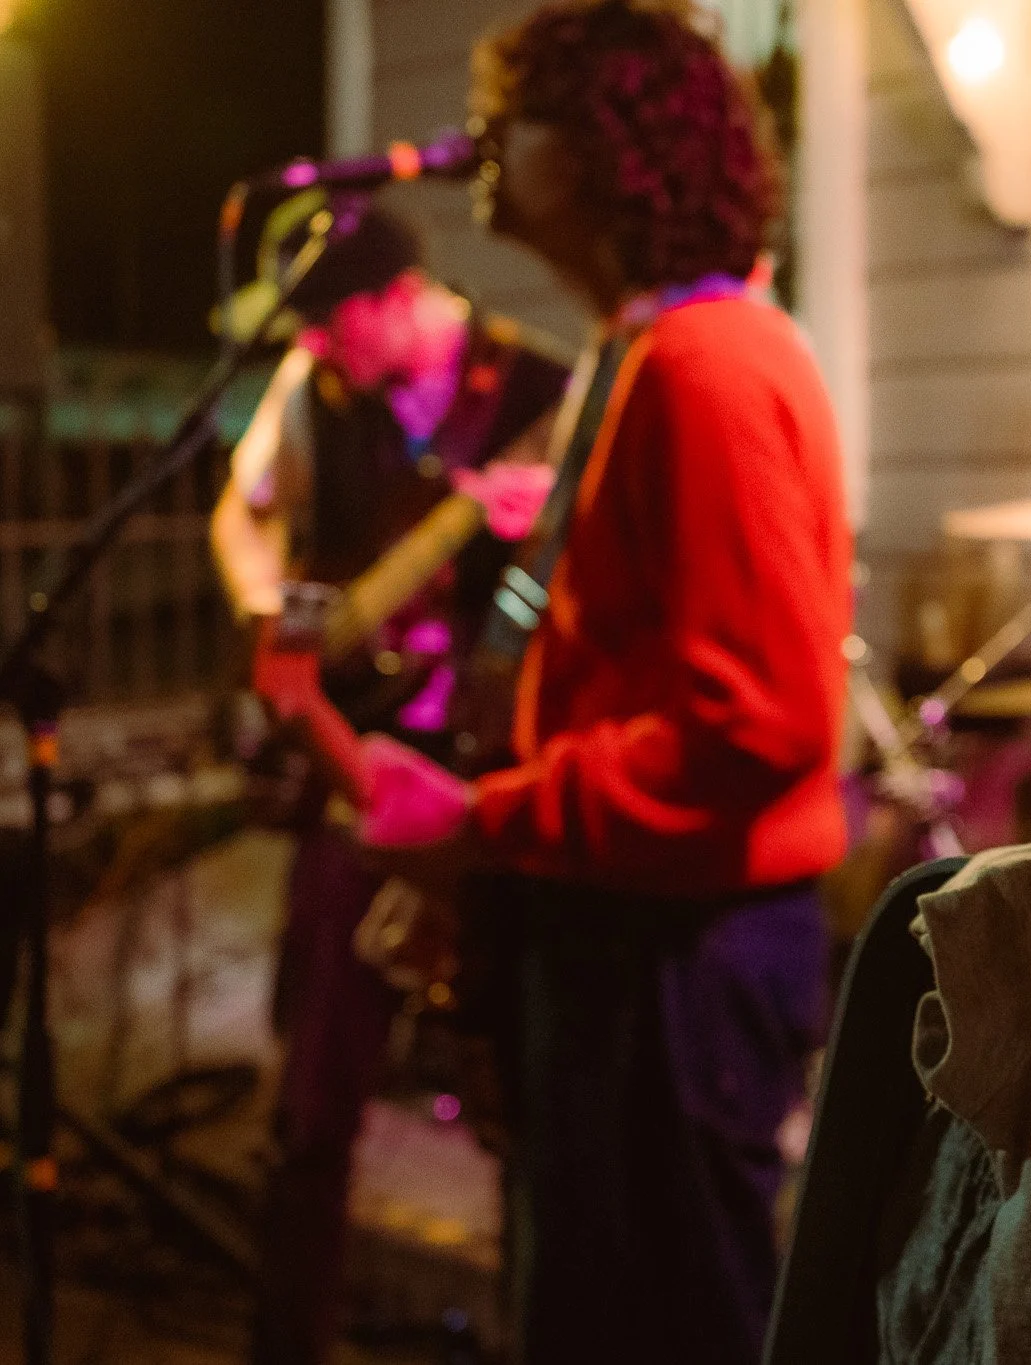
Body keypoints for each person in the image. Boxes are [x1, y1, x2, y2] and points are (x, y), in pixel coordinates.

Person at [343, 3, 852, 1359]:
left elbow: (755, 727)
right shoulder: (642, 356)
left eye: (526, 117)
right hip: (626, 933)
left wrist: (479, 825)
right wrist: (484, 863)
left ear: (614, 148)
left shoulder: (710, 369)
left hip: (680, 960)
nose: (485, 144)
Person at [208, 194, 570, 1365]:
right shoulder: (313, 392)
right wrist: (278, 619)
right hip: (352, 776)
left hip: (493, 784)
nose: (315, 348)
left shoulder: (539, 392)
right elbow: (240, 516)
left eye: (329, 324)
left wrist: (545, 520)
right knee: (312, 1108)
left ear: (396, 298)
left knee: (532, 1111)